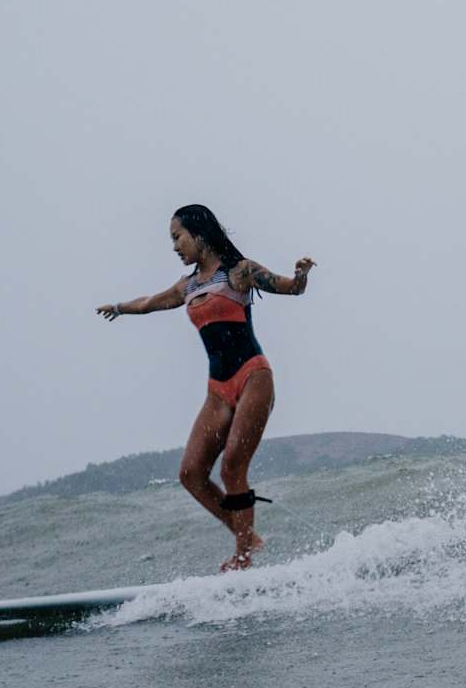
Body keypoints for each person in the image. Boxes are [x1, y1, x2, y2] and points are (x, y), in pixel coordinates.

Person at [97, 204, 314, 571]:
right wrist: (119, 307)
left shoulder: (239, 272)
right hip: (218, 388)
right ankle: (248, 536)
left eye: (177, 237)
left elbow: (289, 289)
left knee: (232, 466)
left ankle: (243, 557)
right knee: (191, 473)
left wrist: (300, 275)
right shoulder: (189, 285)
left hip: (252, 376)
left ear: (199, 234)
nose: (175, 247)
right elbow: (150, 303)